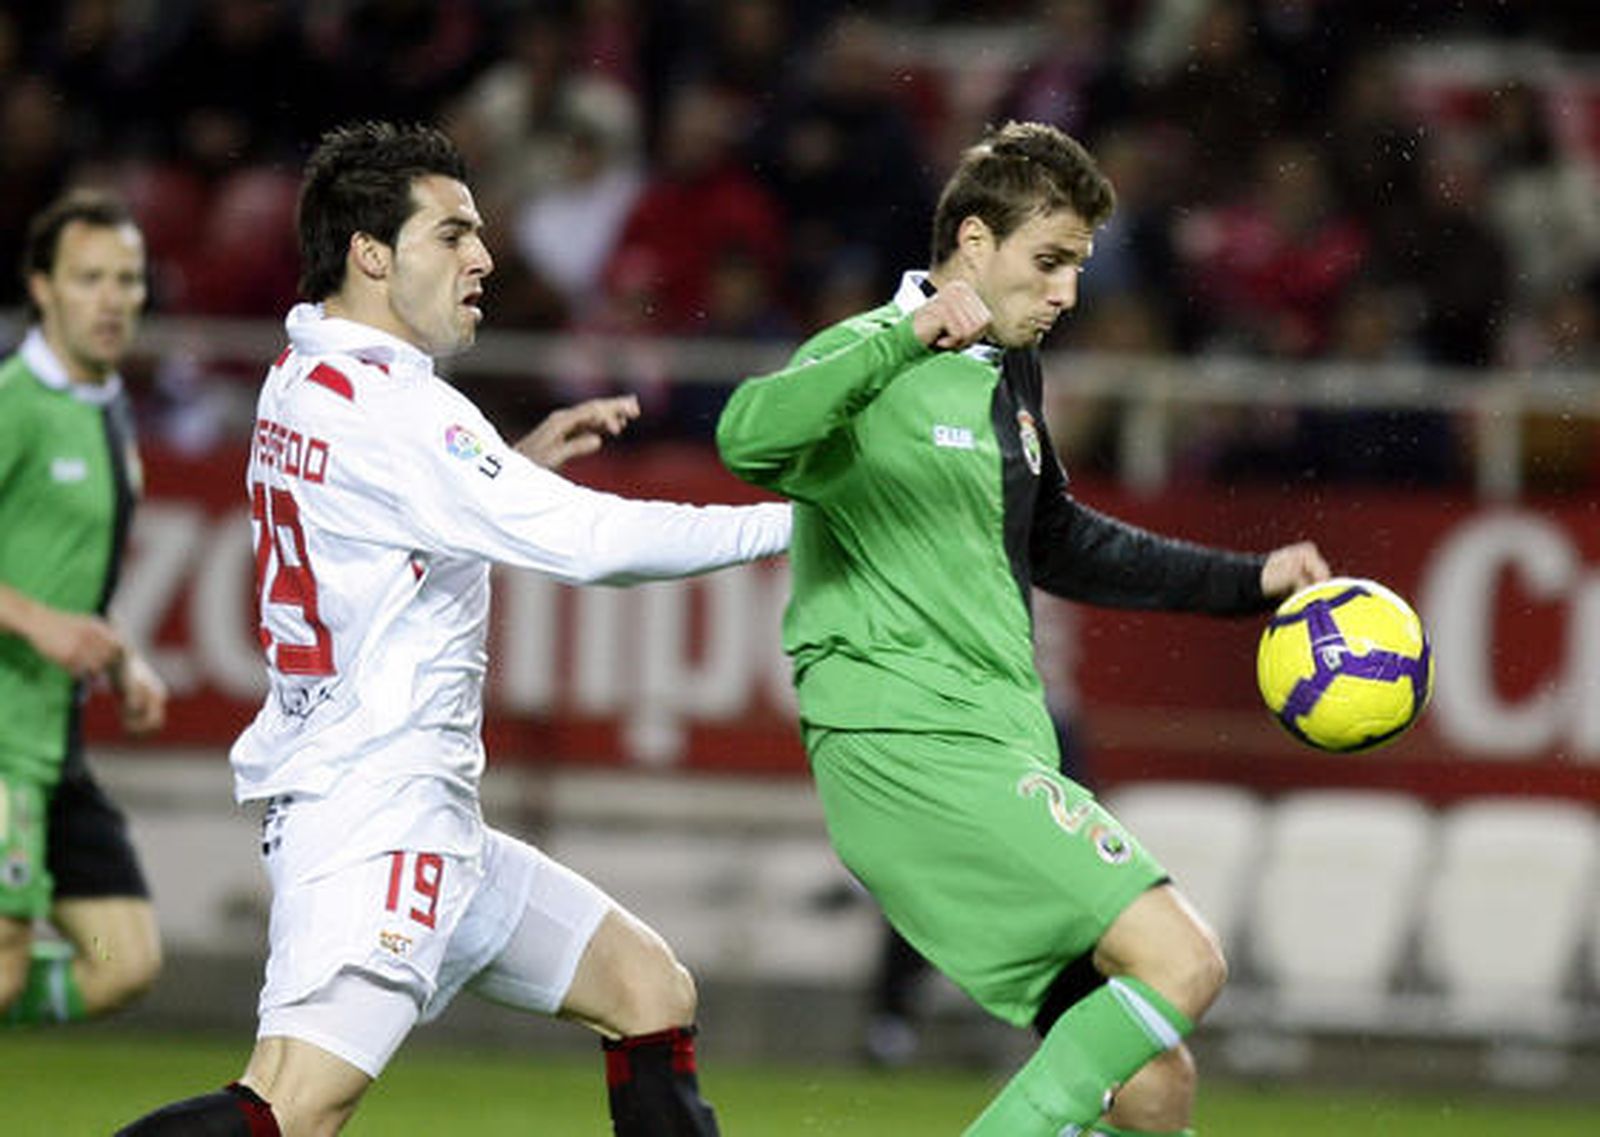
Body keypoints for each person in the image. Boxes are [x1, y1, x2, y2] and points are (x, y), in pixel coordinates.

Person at [114, 121, 790, 1137]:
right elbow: (596, 545)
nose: (482, 257)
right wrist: (802, 521)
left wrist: (508, 471)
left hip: (420, 814)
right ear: (371, 253)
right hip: (376, 817)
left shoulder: (305, 372)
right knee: (294, 1109)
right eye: (451, 234)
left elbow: (394, 527)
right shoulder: (397, 411)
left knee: (648, 990)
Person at [716, 121, 1329, 1137]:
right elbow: (747, 435)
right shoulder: (870, 352)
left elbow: (1062, 543)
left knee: (1152, 1085)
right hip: (908, 742)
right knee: (1185, 960)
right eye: (1047, 263)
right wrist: (900, 342)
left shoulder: (1008, 379)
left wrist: (1247, 582)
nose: (1067, 293)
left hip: (995, 741)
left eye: (1078, 267)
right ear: (969, 243)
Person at [0, 190, 168, 1029]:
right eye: (89, 277)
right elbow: (45, 606)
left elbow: (71, 585)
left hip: (54, 748)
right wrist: (37, 623)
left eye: (128, 279)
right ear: (42, 287)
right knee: (1, 963)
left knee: (120, 960)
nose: (112, 298)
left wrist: (120, 655)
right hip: (1, 744)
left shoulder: (104, 409)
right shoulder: (15, 403)